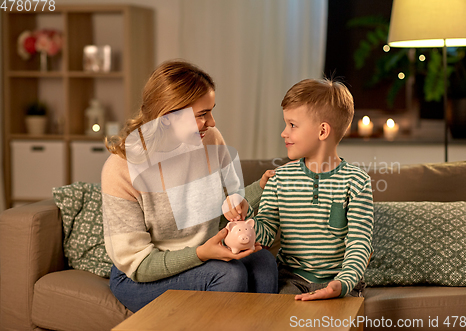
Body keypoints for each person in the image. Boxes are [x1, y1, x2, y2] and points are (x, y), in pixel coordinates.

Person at [102, 60, 278, 313]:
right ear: (166, 118)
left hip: (205, 256)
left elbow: (226, 209)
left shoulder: (210, 142)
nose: (213, 122)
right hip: (139, 276)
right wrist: (201, 254)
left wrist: (256, 190)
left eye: (211, 111)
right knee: (228, 274)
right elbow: (139, 265)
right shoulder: (121, 169)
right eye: (202, 115)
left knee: (262, 262)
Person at [253, 78, 374, 301]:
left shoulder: (357, 181)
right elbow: (266, 233)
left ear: (322, 131)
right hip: (292, 279)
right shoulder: (280, 178)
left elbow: (359, 243)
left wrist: (343, 283)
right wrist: (246, 223)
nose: (283, 133)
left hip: (340, 282)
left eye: (292, 125)